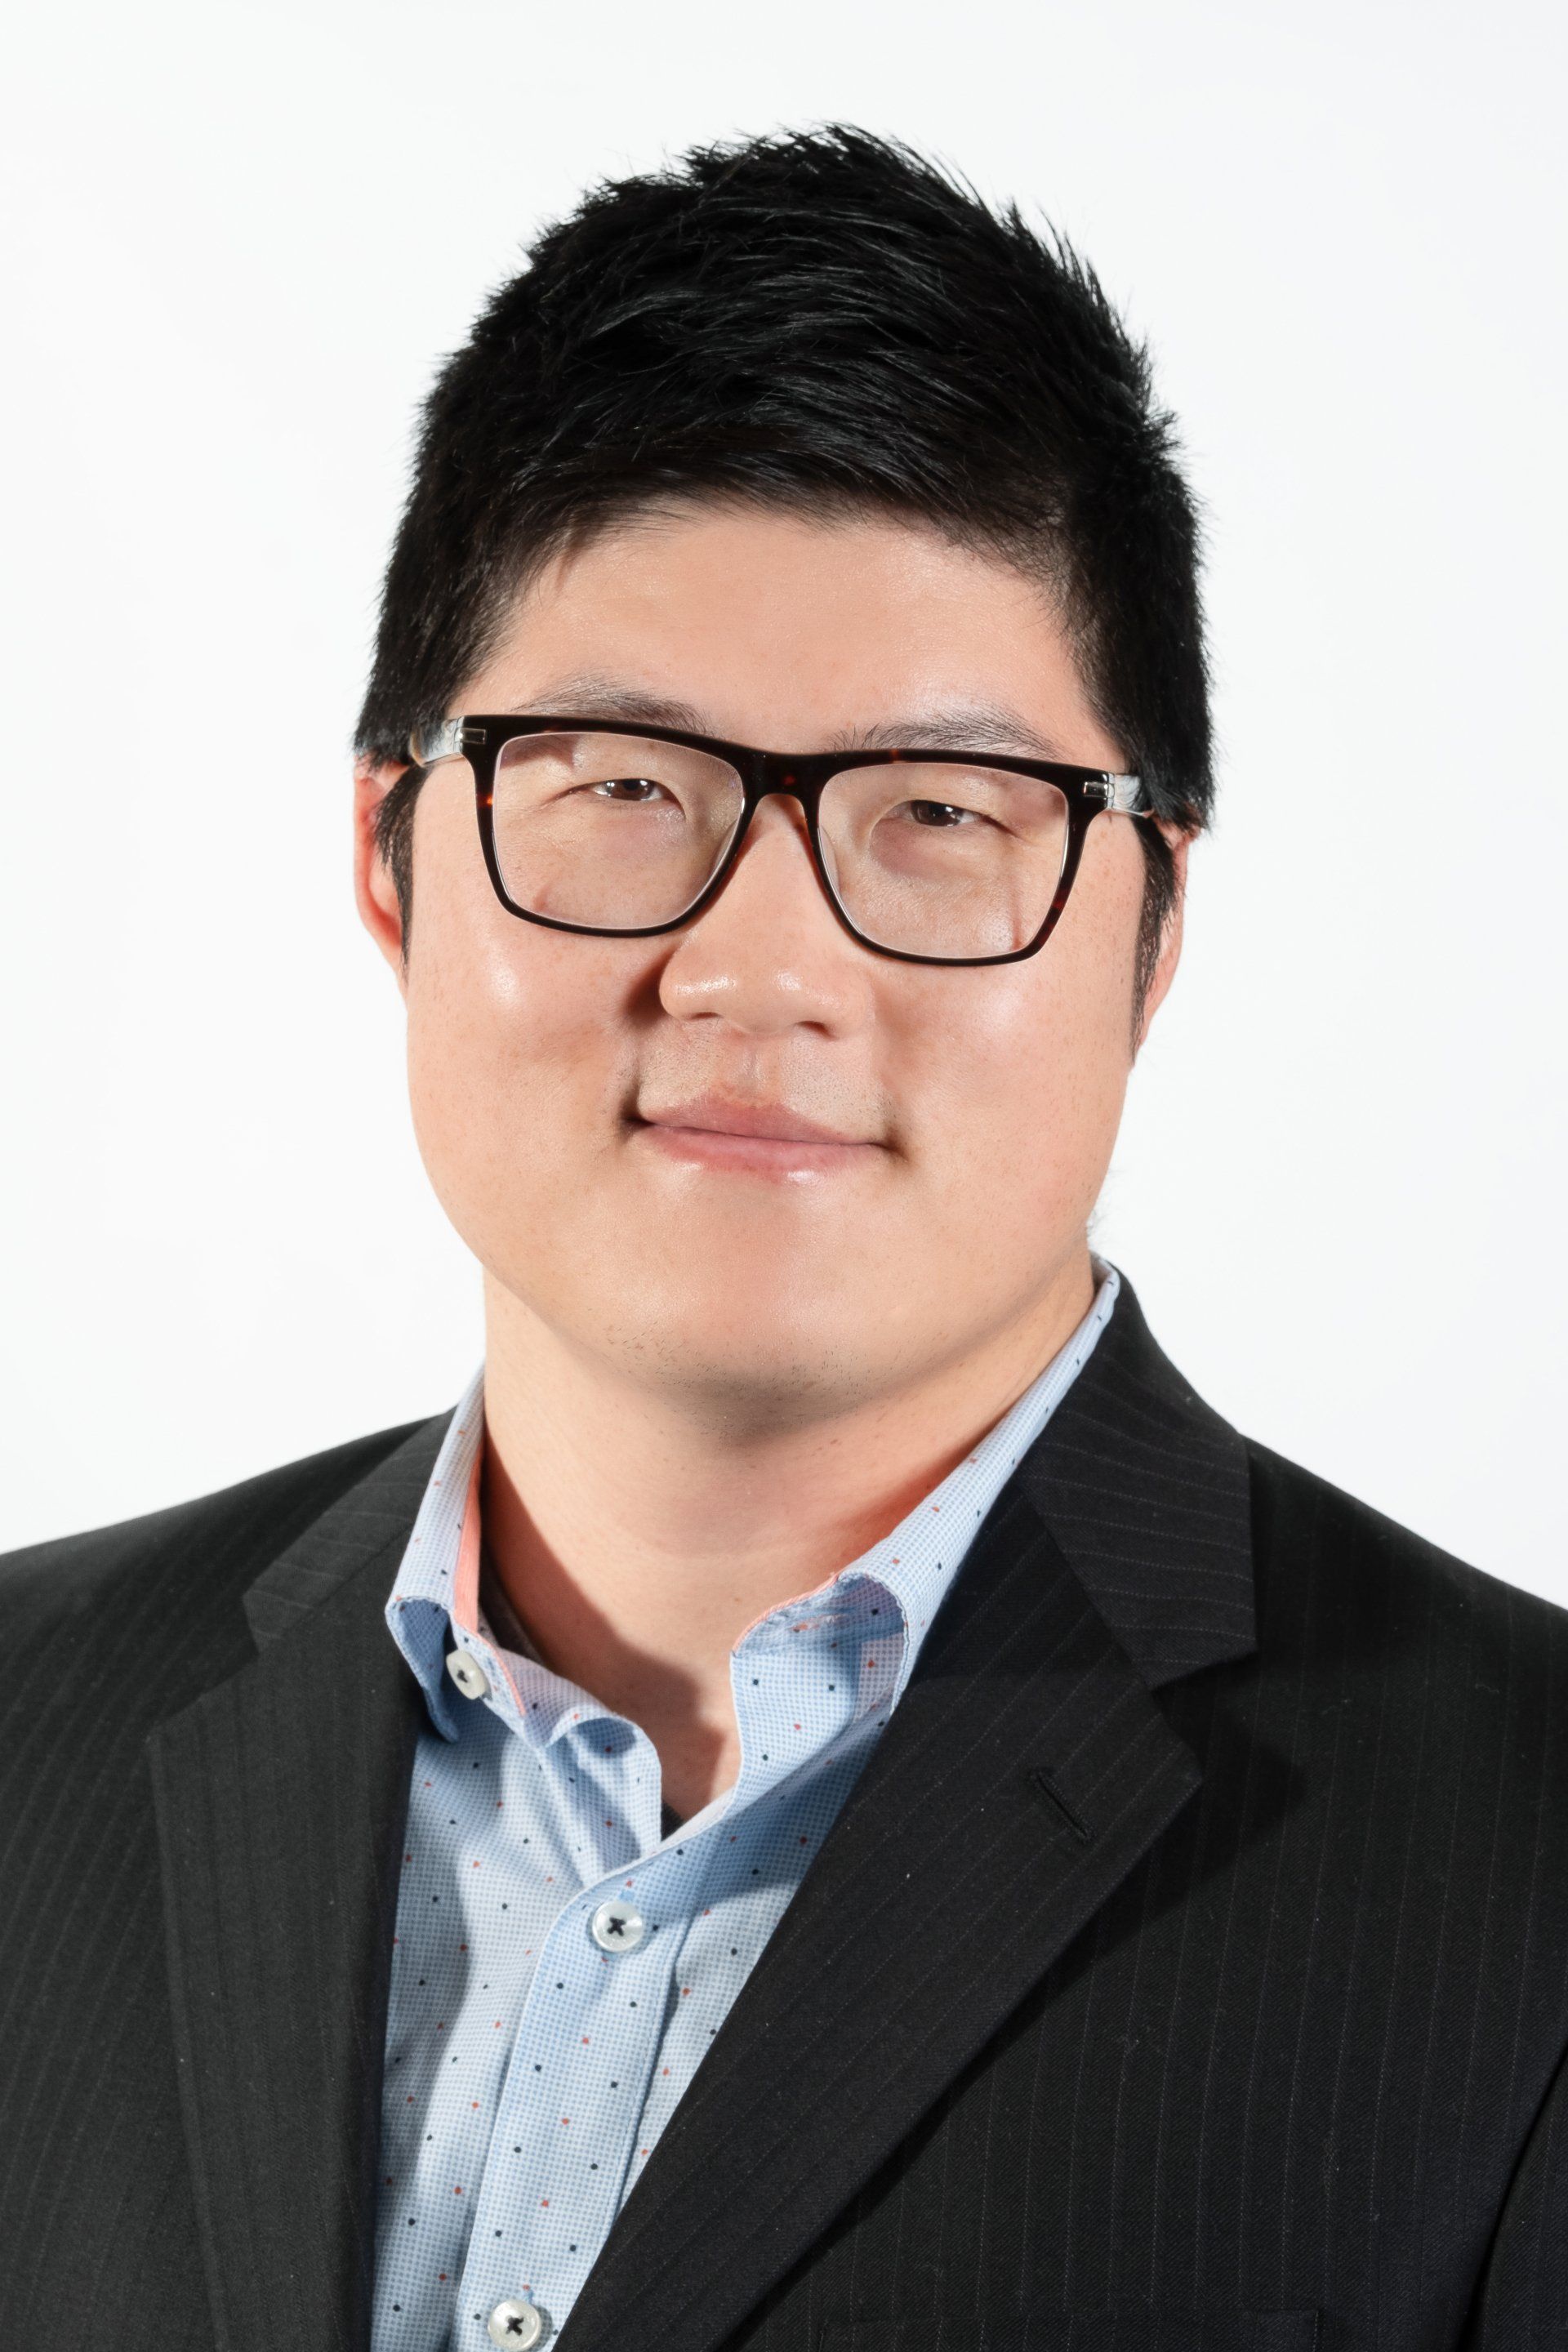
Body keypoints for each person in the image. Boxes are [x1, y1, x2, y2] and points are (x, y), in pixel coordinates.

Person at [2, 123, 1563, 2352]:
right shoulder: (24, 1732)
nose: (762, 966)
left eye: (940, 815)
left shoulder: (1522, 1878)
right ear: (393, 858)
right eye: (625, 784)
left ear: (1154, 924)